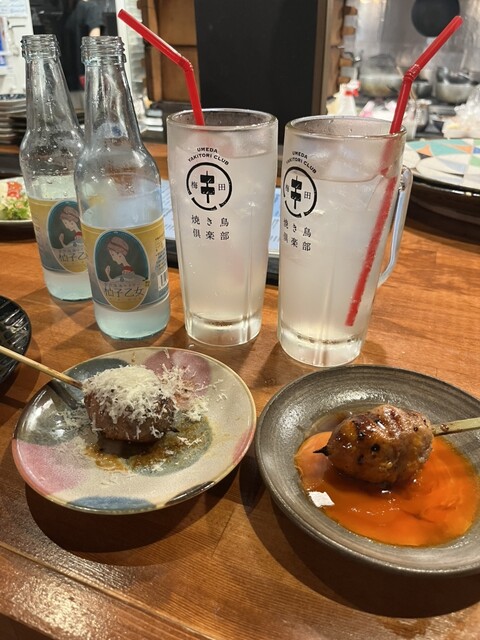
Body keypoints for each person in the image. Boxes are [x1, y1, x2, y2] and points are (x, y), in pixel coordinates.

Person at [57, 0, 104, 106]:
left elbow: (94, 43)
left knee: (90, 112)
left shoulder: (90, 8)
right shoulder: (65, 14)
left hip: (85, 81)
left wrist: (91, 75)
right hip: (68, 82)